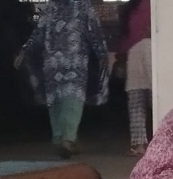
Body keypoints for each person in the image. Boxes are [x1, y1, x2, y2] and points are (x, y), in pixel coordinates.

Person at [15, 0, 109, 159]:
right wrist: (102, 54)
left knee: (56, 100)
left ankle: (60, 137)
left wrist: (24, 51)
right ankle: (68, 138)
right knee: (73, 99)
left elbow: (38, 32)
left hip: (52, 63)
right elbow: (94, 33)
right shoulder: (83, 6)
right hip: (75, 61)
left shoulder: (51, 7)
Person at [117, 0, 152, 156]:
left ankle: (139, 145)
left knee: (136, 102)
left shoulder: (129, 9)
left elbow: (125, 38)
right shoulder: (156, 5)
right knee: (157, 99)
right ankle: (165, 141)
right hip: (154, 52)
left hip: (134, 55)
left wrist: (121, 57)